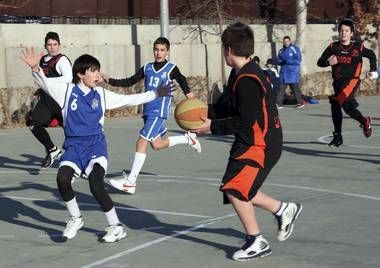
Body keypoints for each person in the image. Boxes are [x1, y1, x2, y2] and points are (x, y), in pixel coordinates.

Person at [21, 48, 170, 242]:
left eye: (97, 70)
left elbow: (129, 100)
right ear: (80, 74)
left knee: (95, 184)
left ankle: (116, 227)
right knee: (62, 178)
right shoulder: (66, 91)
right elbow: (45, 84)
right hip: (73, 147)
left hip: (95, 146)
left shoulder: (101, 94)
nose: (97, 75)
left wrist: (156, 93)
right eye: (92, 70)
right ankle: (75, 218)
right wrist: (35, 67)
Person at [191, 22, 302, 261]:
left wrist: (212, 127)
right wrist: (202, 112)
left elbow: (244, 120)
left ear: (229, 49)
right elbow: (228, 106)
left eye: (223, 48)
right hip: (253, 141)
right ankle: (283, 209)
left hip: (261, 144)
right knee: (242, 189)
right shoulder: (241, 73)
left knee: (234, 188)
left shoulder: (249, 80)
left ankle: (256, 241)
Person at [102, 37, 201, 195]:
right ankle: (188, 139)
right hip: (148, 111)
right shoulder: (147, 67)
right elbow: (131, 81)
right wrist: (110, 80)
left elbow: (181, 79)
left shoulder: (171, 68)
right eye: (156, 49)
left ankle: (131, 181)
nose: (158, 52)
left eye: (162, 50)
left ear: (167, 52)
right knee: (157, 144)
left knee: (141, 142)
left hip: (159, 112)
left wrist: (188, 93)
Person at [317, 18, 377, 147]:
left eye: (346, 30)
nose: (343, 33)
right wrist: (328, 62)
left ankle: (338, 136)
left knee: (338, 102)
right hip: (338, 83)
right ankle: (363, 122)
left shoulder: (358, 47)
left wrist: (373, 70)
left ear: (351, 33)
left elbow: (372, 54)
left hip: (352, 81)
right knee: (344, 107)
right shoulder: (334, 46)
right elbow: (320, 61)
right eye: (341, 30)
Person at [26, 32, 72, 168]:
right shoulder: (42, 60)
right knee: (33, 123)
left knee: (71, 131)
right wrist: (36, 75)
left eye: (55, 44)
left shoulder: (61, 60)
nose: (52, 47)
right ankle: (52, 150)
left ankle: (78, 160)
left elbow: (68, 78)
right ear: (45, 46)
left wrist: (46, 81)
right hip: (47, 99)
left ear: (59, 45)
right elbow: (38, 78)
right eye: (49, 45)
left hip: (61, 100)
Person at [275, 36, 304, 108]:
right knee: (281, 89)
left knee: (295, 88)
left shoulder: (294, 49)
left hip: (292, 73)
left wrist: (288, 61)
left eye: (287, 41)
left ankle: (300, 103)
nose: (286, 43)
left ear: (290, 41)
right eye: (285, 41)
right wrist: (280, 61)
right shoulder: (281, 50)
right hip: (284, 73)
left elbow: (298, 60)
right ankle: (278, 103)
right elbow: (278, 60)